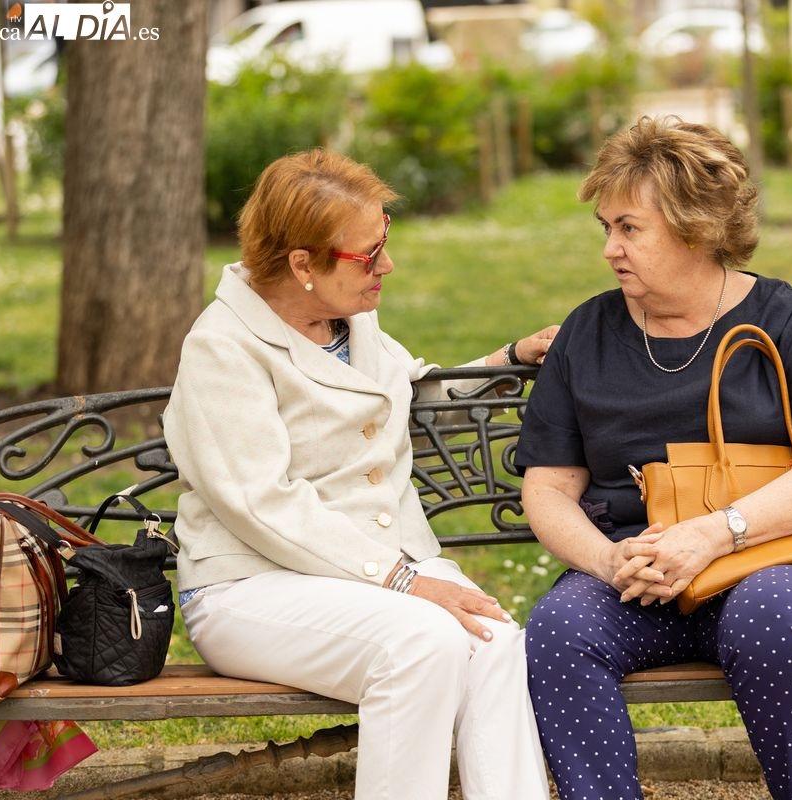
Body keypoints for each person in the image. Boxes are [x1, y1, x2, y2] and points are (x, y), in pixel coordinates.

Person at [163, 149, 556, 800]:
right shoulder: (221, 348)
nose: (387, 266)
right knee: (423, 643)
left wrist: (507, 359)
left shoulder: (351, 319)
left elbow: (405, 398)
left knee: (492, 639)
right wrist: (403, 581)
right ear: (301, 265)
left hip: (375, 575)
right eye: (368, 254)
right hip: (249, 586)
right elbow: (263, 504)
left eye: (385, 242)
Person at [515, 115, 792, 800]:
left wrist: (714, 533)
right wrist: (608, 560)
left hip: (783, 566)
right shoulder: (587, 332)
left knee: (765, 611)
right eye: (606, 228)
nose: (610, 249)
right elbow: (549, 490)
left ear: (695, 228)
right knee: (561, 628)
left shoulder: (784, 317)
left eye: (630, 228)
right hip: (644, 582)